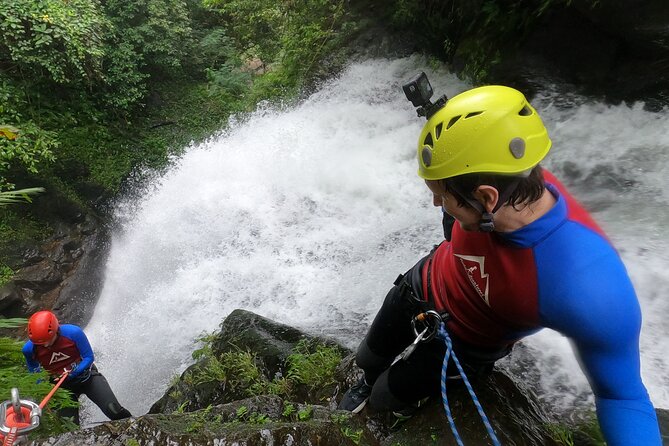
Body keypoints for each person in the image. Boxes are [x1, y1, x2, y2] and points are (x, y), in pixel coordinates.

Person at [338, 84, 662, 445]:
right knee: (368, 359)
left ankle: (391, 401)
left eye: (442, 195)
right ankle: (367, 380)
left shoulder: (588, 287)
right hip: (420, 286)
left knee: (385, 396)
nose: (435, 203)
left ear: (487, 198)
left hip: (463, 346)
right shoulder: (503, 176)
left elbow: (624, 397)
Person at [22, 310, 132, 425]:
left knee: (113, 410)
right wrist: (44, 388)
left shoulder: (73, 333)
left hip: (87, 378)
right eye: (40, 343)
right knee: (69, 426)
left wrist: (73, 372)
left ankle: (135, 427)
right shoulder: (29, 349)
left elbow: (89, 357)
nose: (45, 345)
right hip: (61, 388)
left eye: (48, 340)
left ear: (56, 330)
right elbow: (35, 373)